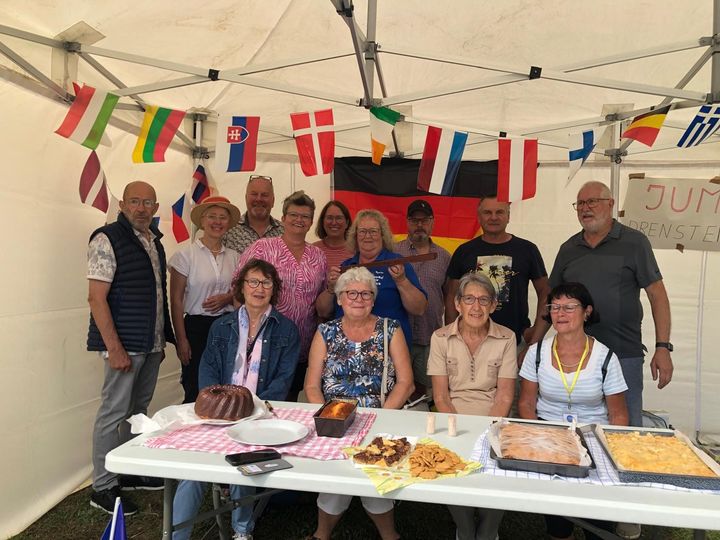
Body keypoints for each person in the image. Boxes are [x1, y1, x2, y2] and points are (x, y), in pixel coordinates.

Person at [172, 259, 300, 540]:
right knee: (194, 469)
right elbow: (208, 368)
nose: (259, 288)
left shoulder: (287, 330)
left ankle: (242, 530)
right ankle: (177, 535)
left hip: (259, 414)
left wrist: (253, 411)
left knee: (246, 460)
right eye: (253, 281)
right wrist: (216, 408)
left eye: (266, 283)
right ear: (241, 287)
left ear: (274, 289)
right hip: (218, 415)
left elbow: (283, 379)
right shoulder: (221, 326)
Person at [547, 181, 673, 427]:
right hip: (575, 357)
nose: (585, 208)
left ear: (611, 204)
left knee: (626, 430)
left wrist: (663, 347)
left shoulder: (635, 242)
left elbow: (657, 295)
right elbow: (551, 299)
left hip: (623, 352)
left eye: (592, 201)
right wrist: (534, 340)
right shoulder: (568, 248)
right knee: (577, 427)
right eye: (580, 203)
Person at [304, 266, 414, 540]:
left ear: (373, 300)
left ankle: (389, 535)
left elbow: (405, 383)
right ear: (340, 299)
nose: (358, 299)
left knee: (374, 475)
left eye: (366, 294)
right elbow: (311, 385)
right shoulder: (325, 331)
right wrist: (328, 419)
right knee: (335, 478)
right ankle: (322, 534)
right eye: (351, 293)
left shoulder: (390, 329)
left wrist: (382, 418)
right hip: (334, 418)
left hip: (380, 416)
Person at [87, 181, 175, 515]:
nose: (141, 208)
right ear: (123, 205)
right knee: (113, 412)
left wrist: (160, 340)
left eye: (148, 202)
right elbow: (96, 298)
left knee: (137, 411)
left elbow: (157, 295)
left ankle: (129, 470)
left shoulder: (154, 241)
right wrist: (114, 347)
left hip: (149, 344)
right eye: (134, 201)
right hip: (124, 344)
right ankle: (103, 486)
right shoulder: (107, 238)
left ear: (155, 208)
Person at [518, 282, 628, 540]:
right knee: (558, 518)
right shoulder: (536, 353)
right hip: (549, 435)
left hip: (593, 437)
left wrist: (611, 454)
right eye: (555, 307)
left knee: (597, 518)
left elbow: (619, 414)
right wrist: (541, 437)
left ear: (587, 312)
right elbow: (526, 403)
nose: (560, 313)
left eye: (569, 307)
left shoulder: (605, 357)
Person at [428, 272, 517, 540]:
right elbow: (441, 396)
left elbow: (504, 397)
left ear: (493, 305)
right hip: (453, 418)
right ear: (457, 304)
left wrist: (488, 434)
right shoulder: (440, 337)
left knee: (498, 468)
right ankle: (465, 528)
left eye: (483, 300)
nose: (476, 307)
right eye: (469, 299)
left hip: (494, 418)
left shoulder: (507, 338)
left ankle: (488, 530)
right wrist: (458, 434)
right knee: (450, 465)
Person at [235, 190, 327, 399]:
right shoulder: (262, 248)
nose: (299, 220)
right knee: (261, 398)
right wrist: (243, 335)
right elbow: (239, 289)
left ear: (311, 222)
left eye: (305, 216)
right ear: (283, 218)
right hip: (264, 342)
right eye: (293, 214)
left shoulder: (318, 256)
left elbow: (321, 300)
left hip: (303, 344)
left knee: (290, 397)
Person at [445, 196, 549, 350]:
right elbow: (451, 296)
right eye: (487, 212)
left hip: (515, 342)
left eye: (499, 212)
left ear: (508, 216)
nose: (493, 217)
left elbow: (545, 292)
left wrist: (534, 335)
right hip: (469, 343)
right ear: (479, 217)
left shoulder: (527, 250)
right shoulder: (464, 251)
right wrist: (452, 338)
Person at [317, 209, 428, 349]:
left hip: (390, 348)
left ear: (382, 235)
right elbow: (322, 311)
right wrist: (331, 288)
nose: (367, 236)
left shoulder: (397, 263)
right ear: (355, 236)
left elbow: (419, 308)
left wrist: (401, 281)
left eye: (373, 231)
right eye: (362, 231)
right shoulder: (346, 267)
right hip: (348, 349)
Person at [169, 196, 241, 403]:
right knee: (195, 387)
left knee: (227, 385)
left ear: (229, 222)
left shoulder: (235, 257)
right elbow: (176, 301)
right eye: (212, 216)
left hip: (228, 327)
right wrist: (181, 340)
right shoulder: (185, 256)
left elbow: (240, 294)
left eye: (222, 217)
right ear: (202, 221)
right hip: (196, 329)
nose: (217, 222)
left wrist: (228, 298)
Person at [395, 199, 451, 399]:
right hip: (398, 337)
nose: (419, 225)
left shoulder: (444, 257)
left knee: (425, 394)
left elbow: (449, 297)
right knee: (395, 390)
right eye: (414, 220)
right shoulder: (393, 253)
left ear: (432, 222)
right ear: (407, 222)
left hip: (430, 337)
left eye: (424, 220)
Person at [223, 174, 283, 254]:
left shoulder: (285, 232)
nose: (259, 199)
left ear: (273, 201)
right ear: (246, 198)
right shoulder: (228, 230)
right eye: (254, 194)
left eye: (264, 195)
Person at [312, 200, 353, 268]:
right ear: (323, 222)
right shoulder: (312, 250)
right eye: (329, 218)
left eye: (339, 218)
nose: (334, 223)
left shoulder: (356, 251)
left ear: (347, 223)